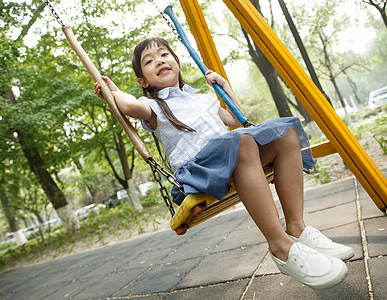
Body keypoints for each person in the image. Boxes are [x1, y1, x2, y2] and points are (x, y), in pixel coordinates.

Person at [94, 36, 354, 290]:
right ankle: (280, 246)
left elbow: (234, 118)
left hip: (234, 154)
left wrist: (225, 86)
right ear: (143, 81)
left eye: (164, 54)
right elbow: (128, 106)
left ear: (177, 61)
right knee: (240, 142)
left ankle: (296, 228)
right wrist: (113, 92)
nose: (159, 61)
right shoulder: (153, 106)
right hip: (198, 170)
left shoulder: (202, 98)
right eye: (149, 61)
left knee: (284, 133)